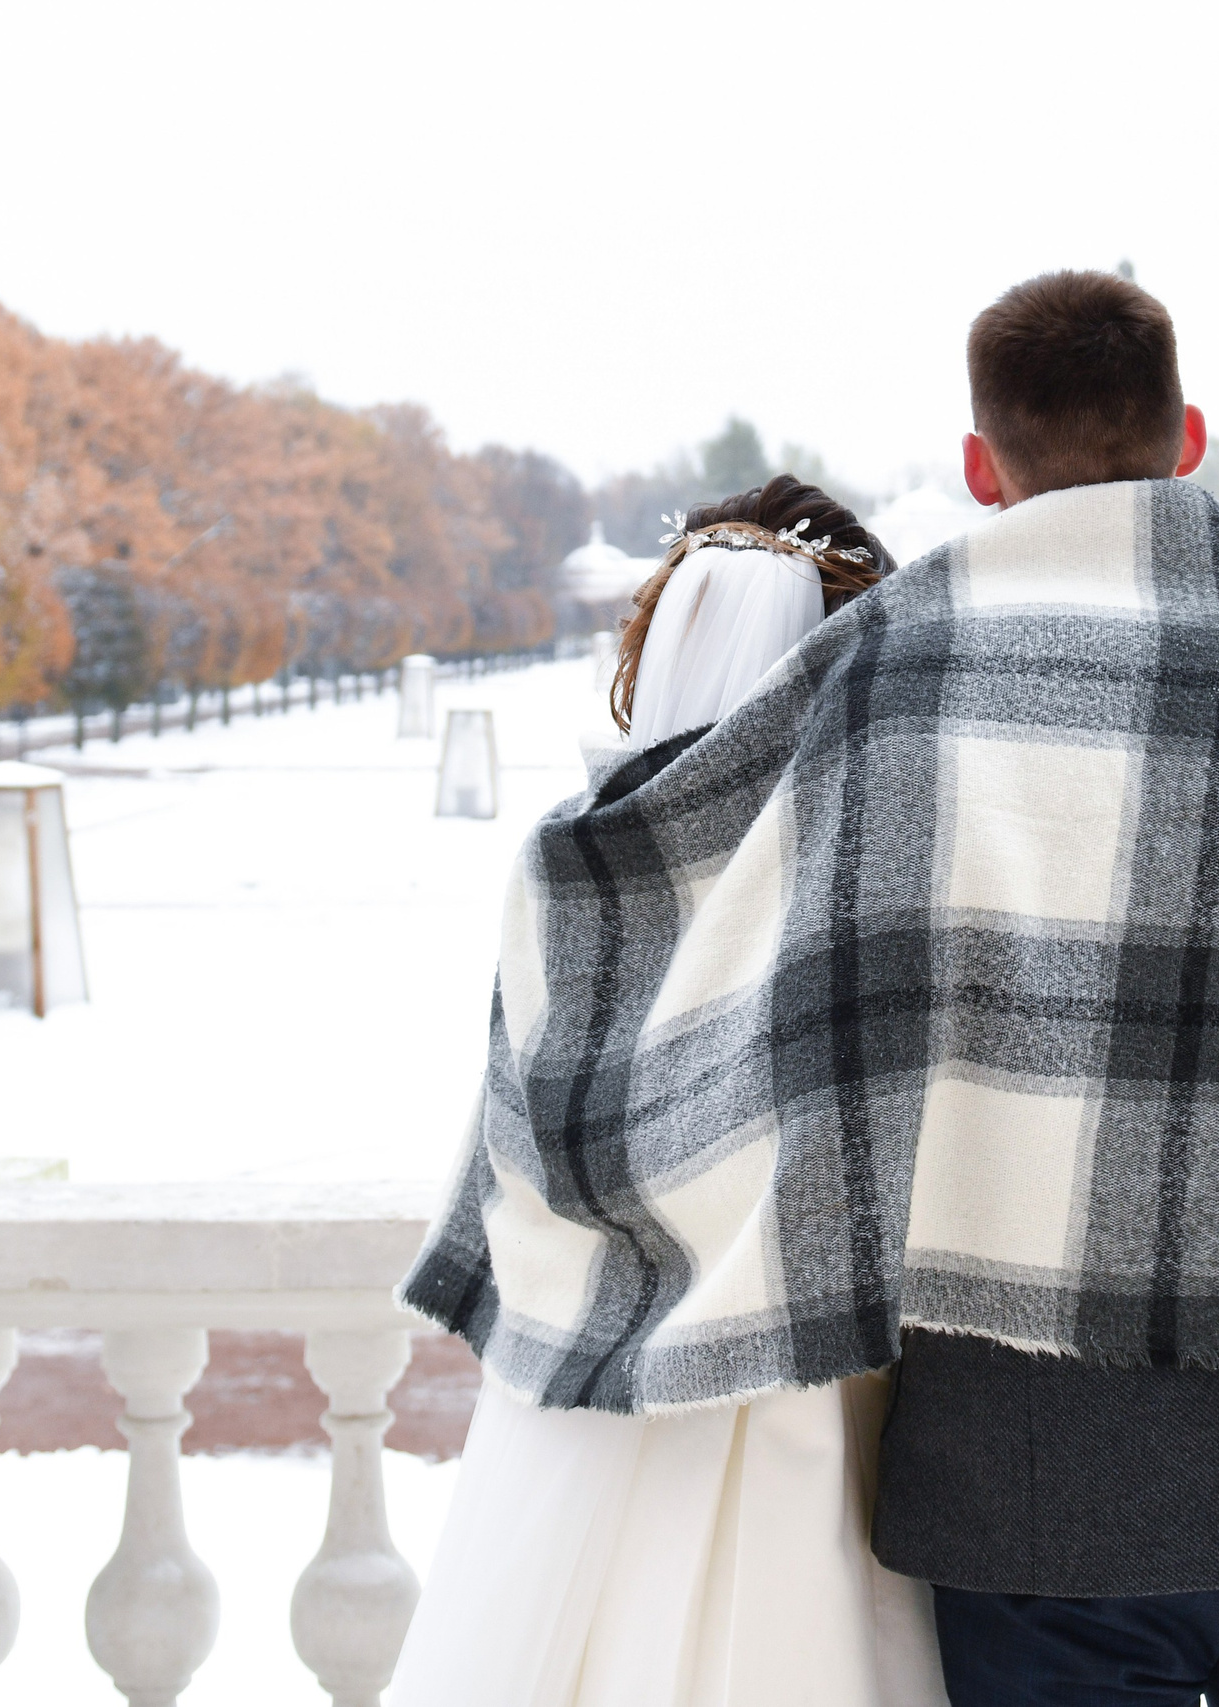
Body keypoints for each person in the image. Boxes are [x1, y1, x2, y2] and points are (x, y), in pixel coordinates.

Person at [403, 270, 1219, 1707]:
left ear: (978, 463)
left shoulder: (901, 668)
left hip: (1031, 1494)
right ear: (1188, 433)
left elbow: (675, 892)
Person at [394, 478, 947, 1707]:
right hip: (799, 1356)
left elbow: (523, 1118)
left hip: (582, 1363)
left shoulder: (564, 861)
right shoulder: (855, 867)